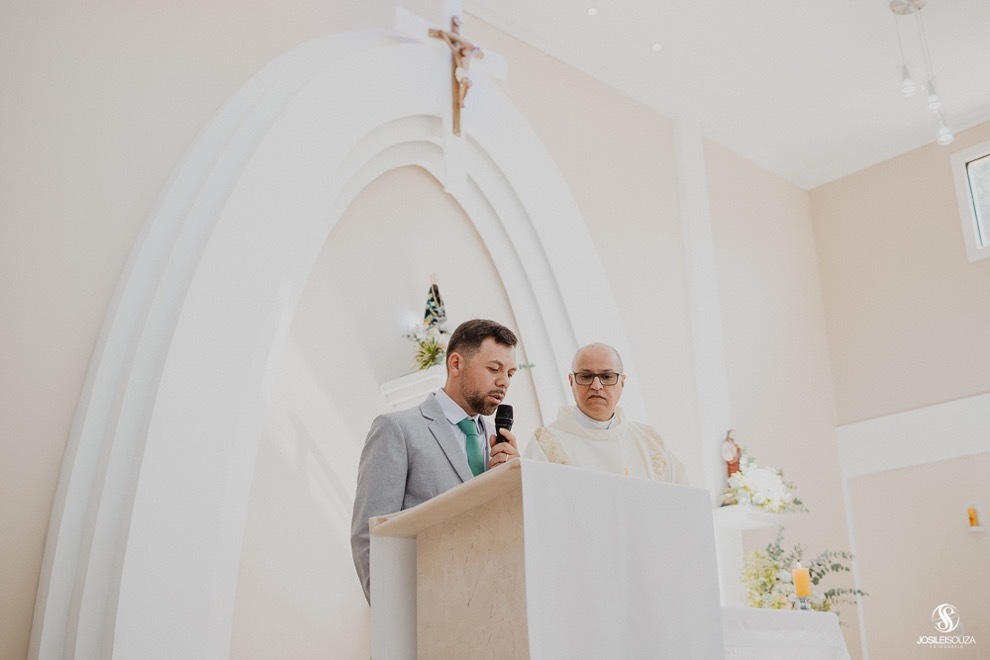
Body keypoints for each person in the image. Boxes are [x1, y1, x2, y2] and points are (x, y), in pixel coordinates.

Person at [350, 319, 521, 603]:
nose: (504, 382)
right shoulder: (398, 429)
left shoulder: (501, 442)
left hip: (491, 613)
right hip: (423, 612)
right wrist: (393, 619)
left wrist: (515, 482)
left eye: (511, 373)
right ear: (456, 364)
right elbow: (370, 537)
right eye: (494, 369)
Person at [524, 342, 687, 484]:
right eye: (586, 376)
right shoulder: (546, 445)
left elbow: (681, 500)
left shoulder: (650, 443)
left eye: (607, 376)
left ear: (622, 383)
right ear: (571, 381)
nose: (596, 385)